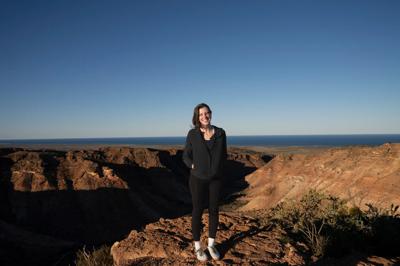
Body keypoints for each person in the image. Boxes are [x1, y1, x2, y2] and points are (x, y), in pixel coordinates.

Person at [182, 103, 227, 261]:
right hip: (197, 179)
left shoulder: (221, 133)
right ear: (197, 117)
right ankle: (197, 247)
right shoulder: (192, 134)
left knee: (214, 210)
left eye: (207, 113)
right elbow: (186, 155)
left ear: (211, 114)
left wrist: (219, 170)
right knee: (198, 210)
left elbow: (224, 155)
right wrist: (192, 165)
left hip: (215, 179)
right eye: (201, 115)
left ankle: (211, 245)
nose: (204, 117)